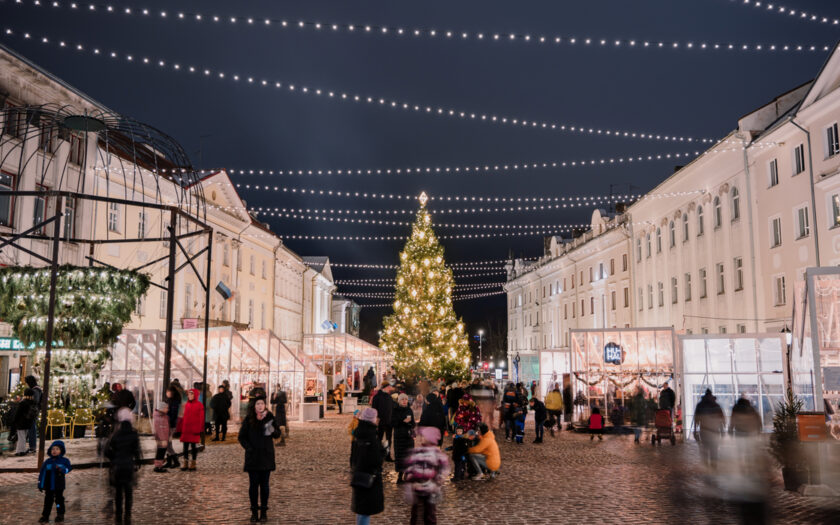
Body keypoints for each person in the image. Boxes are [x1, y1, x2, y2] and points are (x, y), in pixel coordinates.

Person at [238, 393, 282, 522]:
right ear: (254, 406)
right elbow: (242, 437)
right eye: (258, 404)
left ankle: (263, 512)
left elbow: (277, 434)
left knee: (264, 486)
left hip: (266, 456)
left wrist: (272, 429)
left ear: (264, 405)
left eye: (262, 403)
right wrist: (249, 448)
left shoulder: (269, 417)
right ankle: (253, 512)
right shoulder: (249, 419)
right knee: (253, 486)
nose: (260, 406)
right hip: (253, 457)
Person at [404, 426, 450, 525]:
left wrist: (438, 481)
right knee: (415, 514)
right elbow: (411, 464)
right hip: (417, 487)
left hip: (431, 488)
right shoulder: (417, 451)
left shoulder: (436, 453)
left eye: (424, 436)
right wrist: (409, 477)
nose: (421, 438)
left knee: (430, 513)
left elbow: (444, 468)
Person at [105, 408, 142, 525]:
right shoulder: (134, 433)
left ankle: (118, 516)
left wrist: (113, 458)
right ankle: (128, 515)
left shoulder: (115, 434)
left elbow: (107, 450)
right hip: (128, 466)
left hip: (117, 467)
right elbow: (137, 451)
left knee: (118, 493)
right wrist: (137, 462)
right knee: (128, 492)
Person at [350, 408, 384, 525]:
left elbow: (354, 456)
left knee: (361, 509)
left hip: (359, 474)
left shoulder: (360, 433)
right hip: (369, 477)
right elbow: (375, 460)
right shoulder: (371, 436)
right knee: (365, 509)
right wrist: (383, 452)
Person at [38, 440, 71, 523]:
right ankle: (45, 516)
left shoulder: (64, 461)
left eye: (57, 449)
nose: (54, 451)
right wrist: (40, 484)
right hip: (49, 486)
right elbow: (42, 473)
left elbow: (68, 469)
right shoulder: (47, 462)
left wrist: (62, 469)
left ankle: (60, 514)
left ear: (61, 451)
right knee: (48, 501)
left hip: (59, 486)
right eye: (53, 449)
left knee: (58, 501)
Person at [693, 389, 725, 466]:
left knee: (705, 448)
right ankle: (714, 466)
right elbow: (721, 419)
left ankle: (706, 465)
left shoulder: (700, 405)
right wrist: (722, 430)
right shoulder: (716, 405)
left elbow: (696, 419)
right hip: (715, 431)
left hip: (704, 430)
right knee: (714, 450)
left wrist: (695, 430)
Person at [392, 393, 415, 483]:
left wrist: (410, 423)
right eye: (402, 399)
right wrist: (402, 421)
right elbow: (392, 423)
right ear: (399, 401)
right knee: (400, 456)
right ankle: (400, 475)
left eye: (406, 399)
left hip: (408, 437)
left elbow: (413, 423)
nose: (405, 401)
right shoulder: (395, 410)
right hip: (399, 437)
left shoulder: (409, 410)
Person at [179, 388, 204, 471]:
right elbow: (184, 416)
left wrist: (199, 428)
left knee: (193, 446)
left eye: (191, 394)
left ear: (195, 395)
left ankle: (193, 462)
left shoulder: (199, 405)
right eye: (189, 394)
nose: (189, 396)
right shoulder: (187, 404)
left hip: (194, 429)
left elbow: (201, 418)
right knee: (185, 446)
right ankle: (185, 462)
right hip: (186, 428)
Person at [370, 382, 394, 461]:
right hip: (380, 421)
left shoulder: (389, 397)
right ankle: (378, 455)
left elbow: (391, 409)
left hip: (389, 421)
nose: (391, 388)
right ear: (386, 387)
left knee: (389, 439)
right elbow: (374, 409)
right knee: (379, 438)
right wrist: (376, 419)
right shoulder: (377, 397)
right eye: (389, 386)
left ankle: (387, 455)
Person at [14, 388, 37, 456]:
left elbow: (18, 414)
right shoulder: (33, 402)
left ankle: (20, 451)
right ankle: (22, 450)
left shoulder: (23, 403)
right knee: (24, 436)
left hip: (21, 423)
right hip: (28, 422)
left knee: (21, 437)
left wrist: (15, 421)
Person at [164, 385, 181, 469]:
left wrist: (168, 421)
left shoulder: (174, 402)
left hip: (170, 425)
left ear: (172, 393)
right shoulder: (168, 400)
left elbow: (173, 414)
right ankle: (169, 461)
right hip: (167, 424)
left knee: (168, 444)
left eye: (168, 391)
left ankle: (176, 461)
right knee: (168, 443)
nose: (166, 393)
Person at [25, 376, 42, 453]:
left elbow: (35, 400)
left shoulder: (35, 390)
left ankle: (32, 447)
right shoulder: (37, 389)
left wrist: (27, 400)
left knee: (32, 428)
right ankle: (32, 446)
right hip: (34, 411)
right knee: (31, 428)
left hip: (33, 411)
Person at [152, 402, 170, 473]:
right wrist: (163, 439)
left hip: (164, 437)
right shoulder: (158, 417)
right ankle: (158, 466)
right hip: (161, 438)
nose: (167, 409)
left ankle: (159, 465)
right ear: (162, 409)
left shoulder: (164, 416)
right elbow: (158, 429)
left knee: (162, 452)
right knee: (160, 452)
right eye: (166, 408)